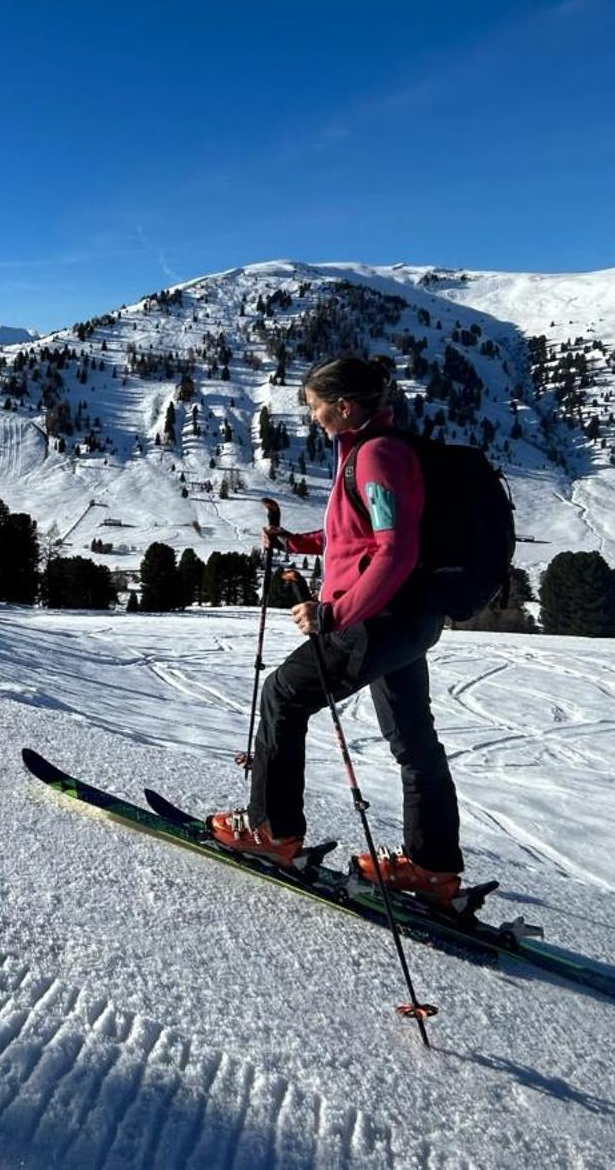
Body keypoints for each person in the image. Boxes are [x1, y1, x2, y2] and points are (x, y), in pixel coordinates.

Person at [208, 354, 464, 902]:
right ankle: (432, 865)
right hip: (406, 619)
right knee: (413, 741)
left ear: (344, 407)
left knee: (283, 694)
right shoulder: (370, 453)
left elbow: (396, 550)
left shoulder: (377, 458)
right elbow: (361, 538)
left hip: (374, 620)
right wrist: (299, 543)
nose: (313, 417)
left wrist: (334, 614)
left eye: (316, 407)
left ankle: (272, 831)